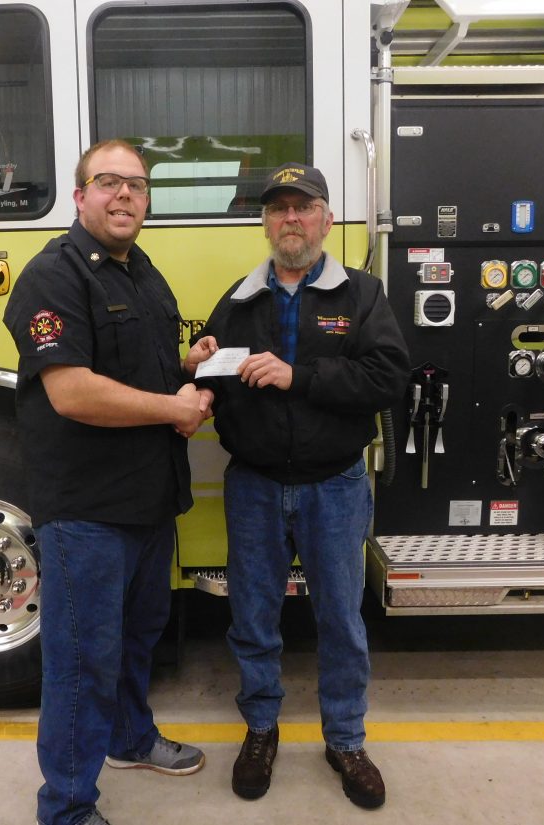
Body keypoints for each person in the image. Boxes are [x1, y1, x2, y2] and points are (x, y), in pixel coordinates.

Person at [185, 162, 409, 810]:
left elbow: (388, 378)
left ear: (327, 220)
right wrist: (200, 365)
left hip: (334, 486)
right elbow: (216, 381)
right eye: (279, 208)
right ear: (265, 223)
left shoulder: (362, 295)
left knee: (340, 619)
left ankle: (346, 740)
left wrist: (298, 376)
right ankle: (261, 729)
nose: (291, 219)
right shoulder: (238, 300)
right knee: (253, 618)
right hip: (254, 487)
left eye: (304, 207)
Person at [4, 139, 213, 825]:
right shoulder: (53, 276)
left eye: (137, 185)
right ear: (80, 196)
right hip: (87, 510)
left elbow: (137, 373)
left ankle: (128, 738)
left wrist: (189, 368)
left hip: (148, 500)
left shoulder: (143, 273)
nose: (125, 194)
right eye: (109, 182)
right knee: (83, 660)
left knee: (136, 636)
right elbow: (71, 392)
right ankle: (66, 806)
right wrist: (174, 409)